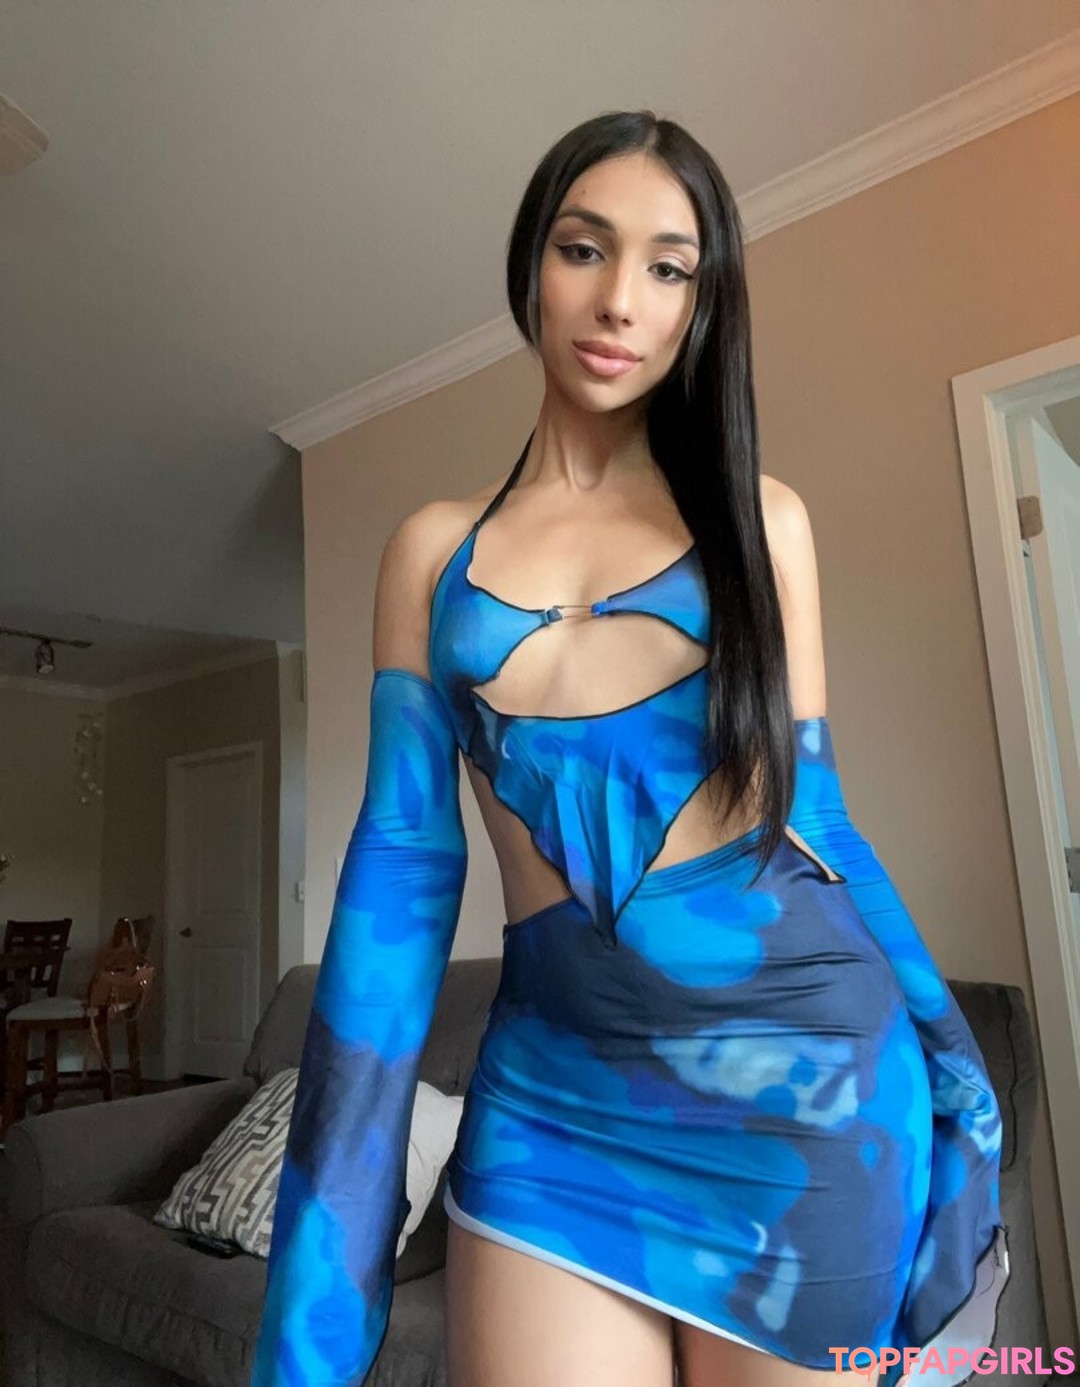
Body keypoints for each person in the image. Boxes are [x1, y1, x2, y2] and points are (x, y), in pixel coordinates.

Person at [251, 110, 1009, 1387]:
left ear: (704, 303)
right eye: (583, 248)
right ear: (531, 266)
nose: (619, 301)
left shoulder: (764, 522)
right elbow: (398, 878)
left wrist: (951, 1062)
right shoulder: (431, 552)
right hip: (550, 1107)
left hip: (805, 1098)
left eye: (669, 267)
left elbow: (818, 819)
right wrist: (311, 1308)